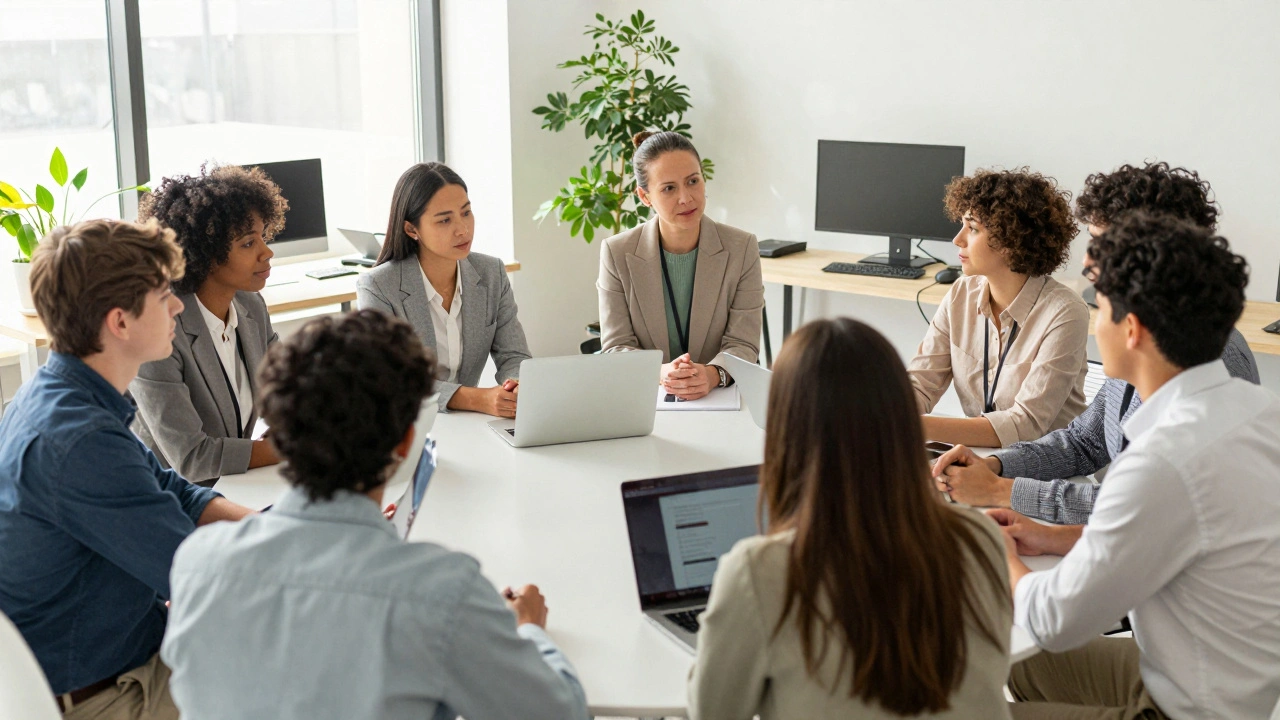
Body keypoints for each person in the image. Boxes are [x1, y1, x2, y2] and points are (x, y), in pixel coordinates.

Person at [161, 310, 588, 720]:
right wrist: (528, 630)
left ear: (278, 435)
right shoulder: (442, 592)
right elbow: (560, 714)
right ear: (405, 442)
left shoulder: (197, 565)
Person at [989, 212, 1280, 718]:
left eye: (1099, 308)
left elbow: (1053, 620)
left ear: (1132, 329)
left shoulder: (1160, 460)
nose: (1093, 324)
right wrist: (1052, 537)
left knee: (973, 703)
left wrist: (1000, 555)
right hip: (1222, 681)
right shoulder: (1259, 410)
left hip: (1183, 709)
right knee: (1011, 662)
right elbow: (1184, 535)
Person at [688, 318, 1012, 719]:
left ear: (786, 430)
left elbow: (711, 711)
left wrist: (722, 626)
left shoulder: (759, 571)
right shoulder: (980, 538)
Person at [0, 219, 253, 719]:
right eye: (163, 295)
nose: (178, 306)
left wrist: (277, 527)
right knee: (311, 660)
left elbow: (174, 491)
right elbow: (198, 576)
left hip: (119, 651)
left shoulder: (60, 396)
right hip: (107, 695)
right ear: (120, 323)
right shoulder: (80, 441)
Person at [931, 162, 1260, 518]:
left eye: (1102, 243)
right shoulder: (1141, 337)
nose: (1087, 259)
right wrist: (996, 465)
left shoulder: (1212, 366)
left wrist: (1001, 491)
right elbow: (1085, 442)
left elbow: (1140, 506)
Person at [909, 168, 1089, 448]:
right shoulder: (960, 294)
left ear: (1011, 240)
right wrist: (885, 411)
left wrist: (910, 426)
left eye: (972, 228)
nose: (957, 239)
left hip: (1047, 465)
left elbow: (1025, 424)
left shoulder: (1065, 312)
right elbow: (921, 384)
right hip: (979, 456)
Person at [131, 164, 287, 483]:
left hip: (234, 483)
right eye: (248, 243)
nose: (267, 252)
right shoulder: (157, 333)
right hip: (169, 496)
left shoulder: (250, 305)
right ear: (204, 254)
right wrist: (294, 447)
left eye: (263, 237)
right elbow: (192, 458)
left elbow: (289, 388)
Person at [598, 131, 764, 401]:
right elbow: (616, 346)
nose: (686, 198)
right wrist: (659, 372)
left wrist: (712, 374)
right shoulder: (617, 252)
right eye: (669, 188)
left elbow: (743, 342)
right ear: (644, 196)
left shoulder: (742, 247)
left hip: (720, 398)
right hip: (647, 399)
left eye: (693, 181)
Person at [357, 162, 531, 418]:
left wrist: (514, 386)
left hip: (467, 423)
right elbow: (389, 380)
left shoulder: (491, 273)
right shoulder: (378, 287)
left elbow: (514, 355)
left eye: (466, 212)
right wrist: (477, 398)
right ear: (411, 229)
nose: (463, 229)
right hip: (404, 423)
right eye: (445, 220)